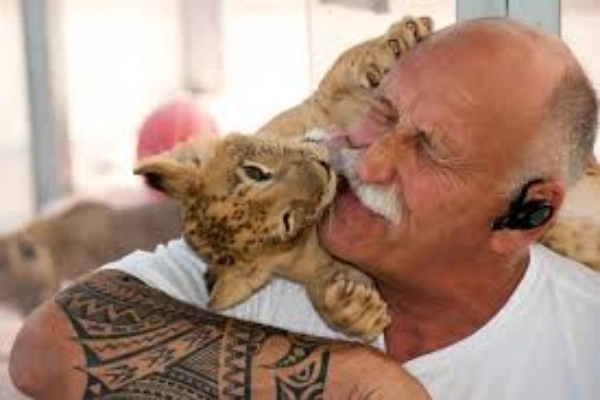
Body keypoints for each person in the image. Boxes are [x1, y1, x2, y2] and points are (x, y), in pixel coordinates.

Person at [9, 17, 600, 399]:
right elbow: (44, 350)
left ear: (527, 214)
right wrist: (355, 380)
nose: (365, 164)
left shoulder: (582, 346)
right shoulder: (278, 245)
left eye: (430, 151)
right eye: (385, 112)